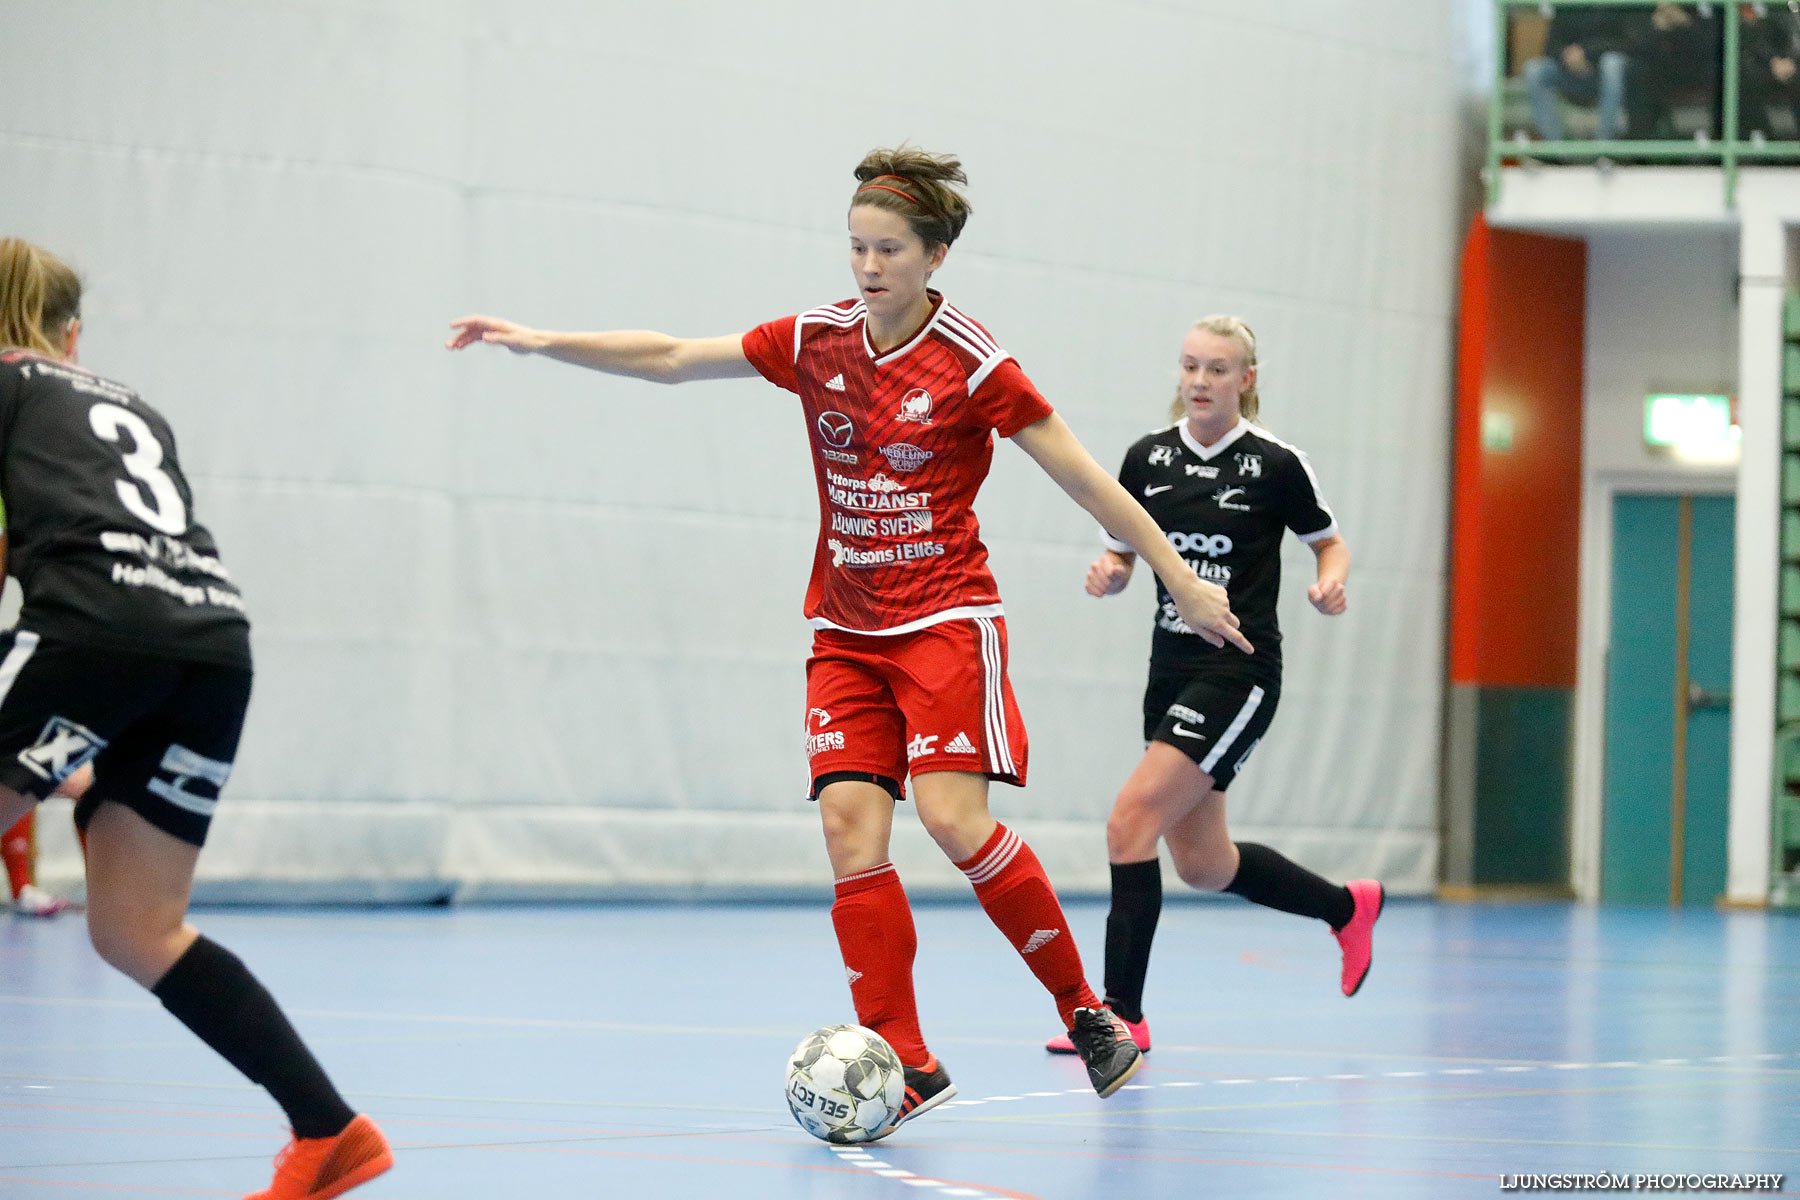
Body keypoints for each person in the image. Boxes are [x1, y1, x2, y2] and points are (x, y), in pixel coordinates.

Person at [448, 146, 1252, 1131]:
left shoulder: (973, 363)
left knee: (955, 823)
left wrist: (1179, 578)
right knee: (847, 831)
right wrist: (538, 341)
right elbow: (669, 356)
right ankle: (907, 1058)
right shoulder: (816, 340)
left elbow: (1085, 476)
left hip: (947, 622)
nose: (868, 268)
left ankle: (1090, 1014)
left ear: (935, 256)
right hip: (846, 630)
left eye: (889, 251)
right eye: (857, 248)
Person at [0, 238, 392, 1200]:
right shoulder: (130, 403)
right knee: (139, 930)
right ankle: (329, 1130)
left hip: (92, 631)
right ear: (73, 333)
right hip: (212, 649)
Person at [1043, 316, 1383, 1057]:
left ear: (1245, 380)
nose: (1199, 381)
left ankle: (1121, 1017)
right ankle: (1346, 908)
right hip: (1169, 670)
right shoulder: (1146, 458)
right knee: (1203, 864)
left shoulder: (1275, 464)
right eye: (1191, 366)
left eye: (1218, 369)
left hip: (1239, 671)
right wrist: (1113, 573)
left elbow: (1330, 541)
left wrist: (1331, 582)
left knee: (1129, 820)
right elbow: (1127, 551)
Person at [1521, 7, 1637, 141]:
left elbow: (1629, 43)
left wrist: (1587, 54)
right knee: (1534, 70)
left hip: (1609, 75)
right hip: (1571, 72)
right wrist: (1567, 56)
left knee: (1612, 63)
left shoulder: (1620, 6)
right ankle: (1557, 148)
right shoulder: (1568, 5)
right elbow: (1550, 47)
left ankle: (1604, 146)